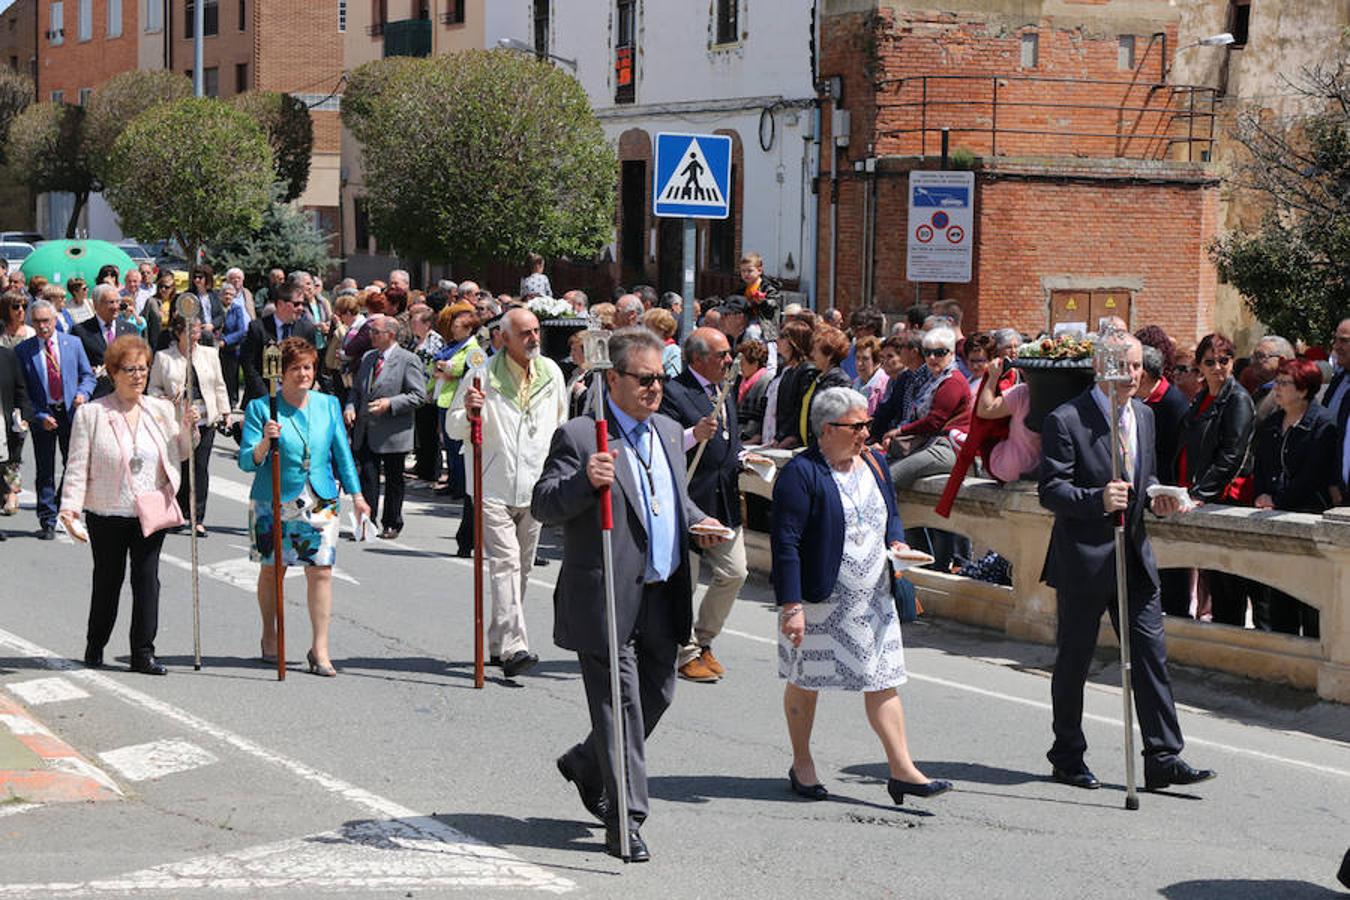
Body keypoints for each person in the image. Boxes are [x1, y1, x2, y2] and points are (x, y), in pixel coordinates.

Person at [532, 327, 728, 862]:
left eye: (661, 378)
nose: (655, 388)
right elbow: (544, 504)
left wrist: (698, 521)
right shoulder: (580, 436)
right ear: (612, 379)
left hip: (663, 590)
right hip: (607, 595)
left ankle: (585, 762)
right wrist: (584, 483)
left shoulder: (666, 430)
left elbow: (670, 500)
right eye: (644, 379)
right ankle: (627, 817)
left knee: (657, 695)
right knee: (621, 706)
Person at [1038, 333, 1216, 793]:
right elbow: (1051, 490)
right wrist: (1096, 499)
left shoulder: (1144, 416)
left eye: (1137, 366)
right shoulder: (1066, 419)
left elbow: (1146, 474)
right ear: (1101, 368)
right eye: (1123, 366)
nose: (1132, 375)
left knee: (1150, 654)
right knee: (1074, 660)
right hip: (1083, 558)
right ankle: (1067, 755)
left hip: (1134, 553)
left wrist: (1157, 496)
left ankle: (1163, 755)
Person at [772, 386, 951, 806]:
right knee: (805, 680)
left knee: (884, 679)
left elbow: (891, 513)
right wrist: (792, 607)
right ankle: (802, 763)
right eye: (858, 426)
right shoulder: (802, 473)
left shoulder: (874, 461)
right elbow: (786, 543)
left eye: (868, 424)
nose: (866, 433)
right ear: (827, 428)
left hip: (873, 597)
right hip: (820, 602)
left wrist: (898, 543)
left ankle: (902, 769)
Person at [60, 335, 198, 675]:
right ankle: (96, 642)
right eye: (130, 369)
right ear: (112, 372)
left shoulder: (161, 410)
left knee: (147, 579)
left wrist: (188, 429)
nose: (138, 376)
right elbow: (77, 465)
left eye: (143, 368)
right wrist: (70, 509)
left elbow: (180, 452)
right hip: (107, 511)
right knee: (108, 580)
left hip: (150, 508)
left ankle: (143, 652)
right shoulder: (92, 414)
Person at [239, 338, 370, 676]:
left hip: (320, 497)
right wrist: (266, 442)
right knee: (272, 570)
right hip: (273, 498)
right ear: (280, 373)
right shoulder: (260, 407)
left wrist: (356, 496)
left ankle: (320, 648)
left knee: (321, 571)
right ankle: (270, 633)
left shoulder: (327, 404)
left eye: (308, 367)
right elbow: (246, 461)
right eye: (295, 368)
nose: (303, 374)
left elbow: (342, 453)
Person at [446, 308, 566, 677]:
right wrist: (469, 413)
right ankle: (515, 646)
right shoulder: (481, 376)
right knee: (506, 563)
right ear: (505, 338)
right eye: (525, 333)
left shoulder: (552, 372)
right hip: (492, 484)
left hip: (535, 486)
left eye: (536, 331)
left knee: (523, 568)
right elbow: (453, 428)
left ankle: (498, 644)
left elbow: (560, 425)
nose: (533, 338)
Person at [659, 327, 750, 683]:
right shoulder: (674, 392)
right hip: (690, 497)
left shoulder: (724, 390)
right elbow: (662, 443)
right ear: (697, 358)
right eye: (721, 355)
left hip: (724, 497)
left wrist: (744, 457)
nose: (729, 360)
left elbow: (730, 440)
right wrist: (691, 435)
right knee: (687, 581)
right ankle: (684, 651)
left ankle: (705, 638)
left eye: (729, 353)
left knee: (735, 572)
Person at [1251, 359, 1336, 637]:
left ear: (1303, 390)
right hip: (1274, 517)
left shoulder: (1322, 425)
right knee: (1280, 596)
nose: (1276, 388)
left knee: (1310, 600)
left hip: (1307, 516)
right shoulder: (1272, 422)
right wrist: (1263, 493)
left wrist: (1279, 500)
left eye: (1284, 383)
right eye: (1276, 381)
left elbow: (1312, 475)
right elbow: (1261, 464)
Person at [1178, 333, 1256, 627]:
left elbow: (1231, 456)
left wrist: (1200, 493)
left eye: (1224, 360)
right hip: (1197, 495)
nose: (1218, 367)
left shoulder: (1237, 399)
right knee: (1210, 573)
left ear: (1233, 362)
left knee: (1228, 581)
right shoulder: (1202, 397)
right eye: (1209, 361)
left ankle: (1232, 638)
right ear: (1199, 365)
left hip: (1224, 499)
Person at [15, 300, 96, 539]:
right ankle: (47, 519)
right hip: (44, 415)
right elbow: (22, 391)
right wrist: (39, 415)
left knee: (73, 465)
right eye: (37, 322)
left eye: (46, 321)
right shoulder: (24, 350)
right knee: (45, 469)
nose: (42, 326)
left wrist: (83, 393)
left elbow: (88, 376)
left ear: (54, 320)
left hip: (71, 412)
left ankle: (67, 508)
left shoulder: (73, 343)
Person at [345, 315, 426, 539]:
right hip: (366, 429)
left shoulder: (408, 359)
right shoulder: (369, 357)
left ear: (390, 335)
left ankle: (392, 522)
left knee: (393, 480)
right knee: (367, 478)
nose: (370, 336)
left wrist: (391, 403)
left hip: (393, 431)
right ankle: (366, 523)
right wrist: (350, 407)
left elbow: (418, 395)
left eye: (375, 332)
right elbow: (357, 390)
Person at [148, 315, 229, 537]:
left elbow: (220, 385)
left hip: (205, 417)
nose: (196, 334)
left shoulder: (210, 354)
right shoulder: (164, 357)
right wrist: (164, 398)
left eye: (198, 329)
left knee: (200, 467)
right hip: (177, 419)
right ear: (178, 332)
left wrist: (225, 413)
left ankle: (198, 518)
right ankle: (179, 512)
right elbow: (152, 388)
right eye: (191, 329)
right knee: (180, 466)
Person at [1136, 343, 1193, 618]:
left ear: (1144, 375)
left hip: (1167, 498)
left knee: (1174, 578)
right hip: (1150, 497)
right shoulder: (1143, 402)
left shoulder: (1173, 404)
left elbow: (1173, 455)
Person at [884, 326, 971, 489]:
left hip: (948, 448)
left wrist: (900, 431)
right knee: (880, 466)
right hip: (928, 442)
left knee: (891, 476)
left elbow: (934, 422)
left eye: (939, 353)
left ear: (951, 354)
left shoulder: (953, 381)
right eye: (927, 352)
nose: (932, 358)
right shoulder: (933, 380)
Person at [431, 302, 479, 498]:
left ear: (468, 329)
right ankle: (452, 481)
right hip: (444, 398)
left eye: (457, 326)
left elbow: (462, 370)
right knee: (449, 446)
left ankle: (461, 486)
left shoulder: (473, 348)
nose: (452, 329)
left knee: (456, 445)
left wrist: (446, 368)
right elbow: (435, 366)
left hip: (457, 400)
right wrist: (444, 368)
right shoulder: (452, 345)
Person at [241, 282, 318, 403]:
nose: (301, 308)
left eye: (303, 304)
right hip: (263, 397)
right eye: (296, 304)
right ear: (281, 304)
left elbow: (313, 362)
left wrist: (303, 389)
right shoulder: (258, 328)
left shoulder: (307, 329)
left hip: (297, 397)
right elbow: (249, 365)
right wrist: (266, 396)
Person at [974, 355, 1040, 482]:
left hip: (1011, 469)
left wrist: (993, 377)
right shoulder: (1073, 391)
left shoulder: (1023, 392)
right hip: (1050, 470)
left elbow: (985, 410)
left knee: (989, 433)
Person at [75, 285, 138, 398]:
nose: (115, 307)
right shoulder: (81, 331)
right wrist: (89, 370)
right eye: (110, 302)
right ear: (96, 305)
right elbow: (75, 365)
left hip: (125, 394)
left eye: (117, 302)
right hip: (97, 395)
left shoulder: (130, 329)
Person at [795, 326, 852, 447]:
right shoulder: (816, 378)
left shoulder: (840, 381)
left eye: (816, 351)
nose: (811, 354)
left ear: (829, 355)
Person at [0, 343, 31, 528]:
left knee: (8, 463)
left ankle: (10, 492)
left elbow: (20, 389)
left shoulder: (7, 357)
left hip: (3, 421)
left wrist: (24, 415)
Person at [218, 282, 249, 411]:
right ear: (221, 295)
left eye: (231, 294)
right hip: (215, 345)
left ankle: (232, 401)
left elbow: (241, 330)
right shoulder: (217, 308)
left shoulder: (237, 309)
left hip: (232, 347)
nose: (228, 296)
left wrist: (226, 340)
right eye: (226, 294)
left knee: (231, 377)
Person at [735, 339, 771, 442]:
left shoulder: (765, 380)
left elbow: (759, 414)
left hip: (751, 437)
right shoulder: (741, 381)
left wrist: (747, 437)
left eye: (743, 363)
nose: (740, 367)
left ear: (755, 363)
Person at [185, 265, 224, 346]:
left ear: (207, 278)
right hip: (198, 333)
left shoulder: (214, 295)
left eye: (200, 277)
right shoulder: (189, 295)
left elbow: (221, 315)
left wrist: (212, 325)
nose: (197, 280)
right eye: (195, 277)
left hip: (214, 331)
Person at [739, 252, 780, 325]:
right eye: (743, 271)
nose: (746, 274)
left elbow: (773, 307)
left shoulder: (768, 288)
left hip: (763, 325)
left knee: (751, 331)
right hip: (745, 320)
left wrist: (763, 302)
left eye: (750, 271)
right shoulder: (742, 289)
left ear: (759, 271)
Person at [851, 335, 889, 414]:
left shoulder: (885, 386)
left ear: (877, 362)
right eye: (857, 358)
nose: (859, 363)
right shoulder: (855, 383)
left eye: (865, 359)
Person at [642, 307, 682, 377]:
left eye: (648, 327)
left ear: (662, 329)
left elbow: (673, 379)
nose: (644, 331)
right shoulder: (643, 349)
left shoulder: (673, 351)